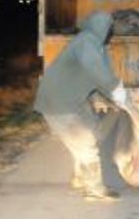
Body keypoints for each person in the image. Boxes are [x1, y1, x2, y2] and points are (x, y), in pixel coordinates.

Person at [33, 11, 126, 201]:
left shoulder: (96, 45)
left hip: (72, 99)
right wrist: (114, 88)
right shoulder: (87, 42)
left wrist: (114, 97)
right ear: (103, 27)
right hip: (60, 102)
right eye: (110, 29)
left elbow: (102, 73)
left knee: (93, 129)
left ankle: (80, 176)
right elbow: (95, 68)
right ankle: (93, 189)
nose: (111, 33)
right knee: (86, 144)